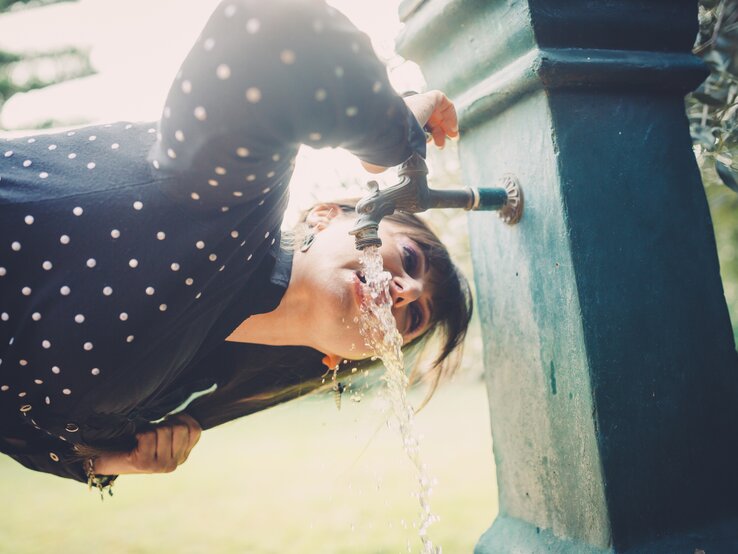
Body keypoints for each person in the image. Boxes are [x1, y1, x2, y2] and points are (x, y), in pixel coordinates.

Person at [0, 0, 471, 491]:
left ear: (342, 359)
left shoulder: (178, 391)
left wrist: (113, 460)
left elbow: (19, 428)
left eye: (413, 319)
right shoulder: (230, 205)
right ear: (325, 214)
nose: (409, 292)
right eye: (411, 259)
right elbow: (271, 25)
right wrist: (395, 137)